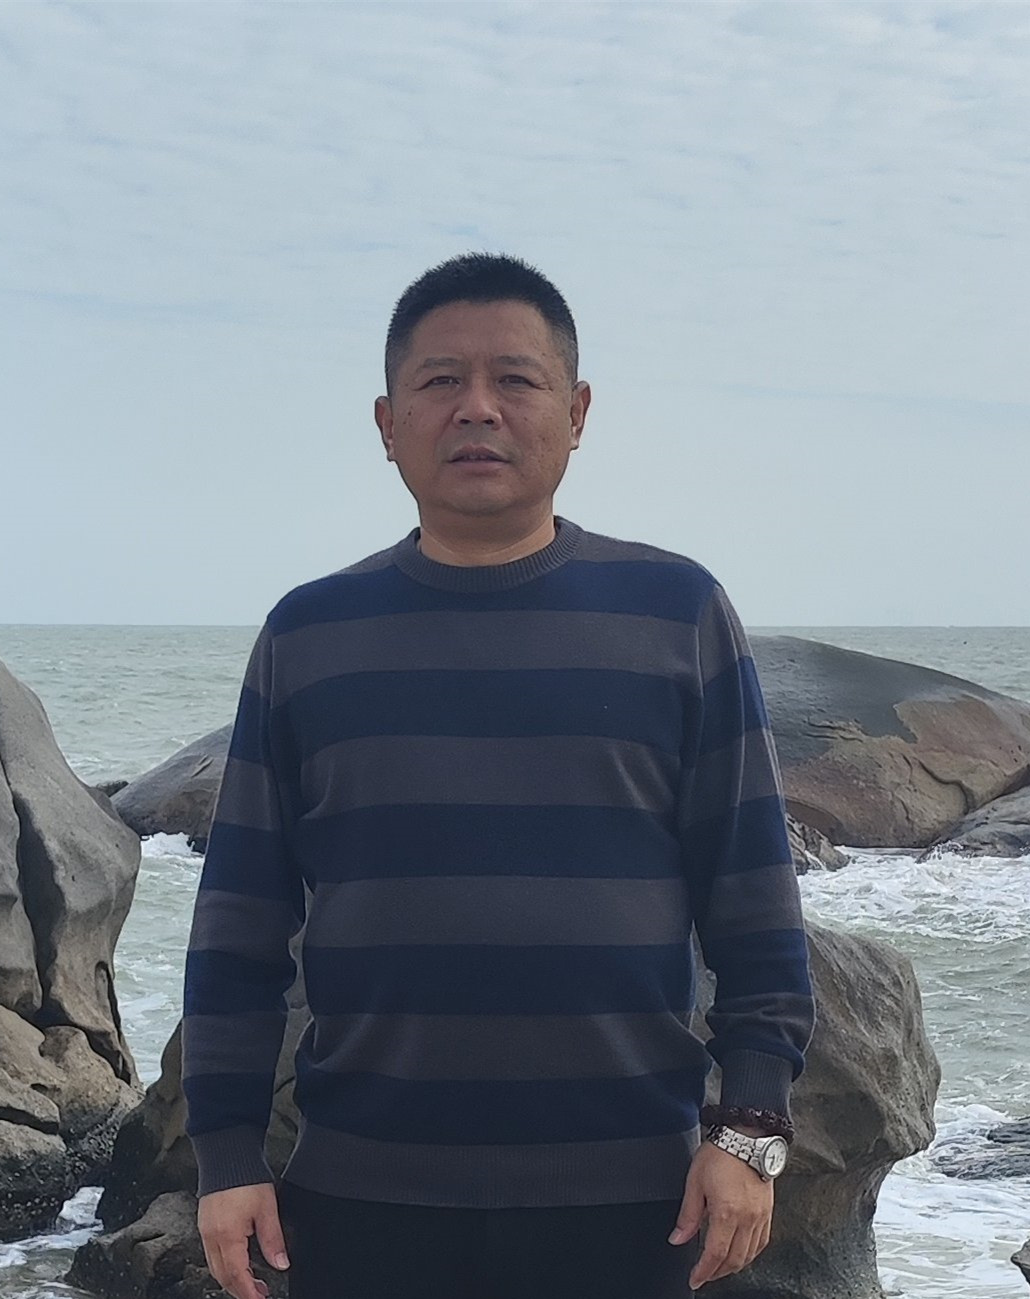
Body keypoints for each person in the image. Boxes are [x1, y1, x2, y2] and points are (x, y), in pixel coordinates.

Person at [181, 254, 815, 1299]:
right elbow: (239, 923)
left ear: (577, 412)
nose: (477, 407)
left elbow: (752, 899)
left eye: (515, 379)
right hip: (361, 1198)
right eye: (440, 381)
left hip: (633, 1199)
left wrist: (748, 1128)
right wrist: (225, 1155)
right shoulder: (308, 635)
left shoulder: (677, 613)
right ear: (388, 424)